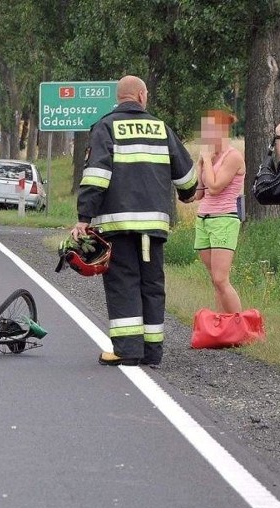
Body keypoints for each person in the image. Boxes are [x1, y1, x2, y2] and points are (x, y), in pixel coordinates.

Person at [73, 75, 197, 367]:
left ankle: (128, 350)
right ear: (142, 96)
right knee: (152, 285)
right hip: (153, 228)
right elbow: (187, 176)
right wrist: (187, 194)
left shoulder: (106, 127)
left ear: (120, 98)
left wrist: (83, 218)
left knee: (123, 282)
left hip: (118, 227)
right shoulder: (161, 128)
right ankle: (152, 352)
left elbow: (96, 177)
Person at [193, 110, 245, 313]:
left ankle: (239, 325)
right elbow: (198, 195)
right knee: (214, 279)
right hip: (204, 219)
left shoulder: (233, 157)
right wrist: (201, 166)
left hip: (224, 219)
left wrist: (206, 161)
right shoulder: (210, 157)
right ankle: (222, 326)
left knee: (221, 278)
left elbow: (214, 188)